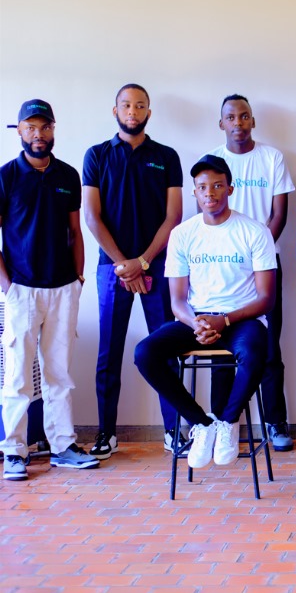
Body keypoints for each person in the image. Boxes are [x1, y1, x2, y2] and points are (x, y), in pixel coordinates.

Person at [133, 156, 276, 469]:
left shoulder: (254, 231)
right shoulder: (183, 234)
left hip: (242, 318)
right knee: (146, 353)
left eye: (216, 186)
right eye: (202, 187)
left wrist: (223, 321)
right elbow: (178, 301)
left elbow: (266, 299)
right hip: (195, 319)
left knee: (255, 352)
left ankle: (228, 422)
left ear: (230, 189)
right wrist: (196, 322)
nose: (209, 193)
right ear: (194, 193)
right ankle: (202, 424)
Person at [83, 84, 184, 459]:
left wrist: (141, 262)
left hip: (156, 266)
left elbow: (173, 216)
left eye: (140, 105)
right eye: (126, 105)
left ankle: (174, 431)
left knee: (164, 349)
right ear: (115, 111)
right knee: (108, 353)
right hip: (111, 268)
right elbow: (91, 218)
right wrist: (125, 266)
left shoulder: (166, 156)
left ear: (148, 113)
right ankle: (106, 434)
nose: (133, 110)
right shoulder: (96, 155)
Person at [1, 100, 98, 481]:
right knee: (18, 377)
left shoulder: (68, 175)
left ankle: (63, 446)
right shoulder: (6, 176)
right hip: (22, 289)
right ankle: (13, 452)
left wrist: (78, 279)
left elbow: (75, 231)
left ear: (54, 129)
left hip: (63, 289)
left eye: (45, 127)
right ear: (20, 131)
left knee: (59, 373)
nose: (38, 134)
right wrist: (8, 286)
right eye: (31, 127)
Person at [205, 94, 296, 452]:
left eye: (244, 116)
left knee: (269, 347)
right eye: (231, 117)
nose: (238, 123)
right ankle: (220, 424)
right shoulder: (213, 162)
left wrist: (255, 258)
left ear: (252, 121)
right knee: (220, 347)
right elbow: (206, 215)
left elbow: (279, 215)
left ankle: (275, 422)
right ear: (221, 123)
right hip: (220, 271)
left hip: (265, 267)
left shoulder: (271, 158)